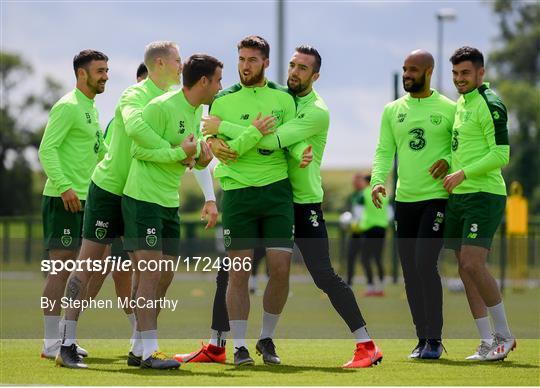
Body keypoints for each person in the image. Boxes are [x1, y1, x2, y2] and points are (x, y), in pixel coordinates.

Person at [181, 45, 383, 368]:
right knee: (230, 273)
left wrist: (222, 129)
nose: (295, 72)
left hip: (301, 203)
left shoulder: (314, 109)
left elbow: (271, 140)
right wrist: (213, 144)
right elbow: (235, 143)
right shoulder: (284, 100)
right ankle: (222, 345)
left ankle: (366, 343)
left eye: (303, 69)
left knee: (322, 275)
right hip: (271, 199)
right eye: (293, 65)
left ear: (315, 76)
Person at [56, 41, 213, 369]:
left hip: (143, 195)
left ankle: (141, 347)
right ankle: (65, 341)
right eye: (177, 61)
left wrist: (197, 154)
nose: (182, 67)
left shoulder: (178, 103)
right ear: (160, 63)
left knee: (153, 272)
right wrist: (180, 153)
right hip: (111, 189)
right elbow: (137, 132)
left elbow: (190, 150)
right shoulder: (134, 96)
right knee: (89, 265)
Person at [121, 53, 221, 370]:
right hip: (143, 199)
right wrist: (183, 152)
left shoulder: (197, 111)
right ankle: (150, 350)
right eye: (218, 79)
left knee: (165, 276)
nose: (221, 85)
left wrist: (202, 158)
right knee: (150, 275)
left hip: (167, 202)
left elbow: (190, 160)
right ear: (203, 81)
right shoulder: (161, 106)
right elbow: (137, 149)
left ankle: (138, 346)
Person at [371, 49, 455, 359]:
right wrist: (377, 180)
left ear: (428, 72)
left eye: (413, 70)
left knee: (424, 263)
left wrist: (449, 160)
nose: (407, 74)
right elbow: (383, 151)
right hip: (403, 201)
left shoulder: (449, 109)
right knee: (409, 270)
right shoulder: (393, 110)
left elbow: (462, 148)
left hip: (436, 199)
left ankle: (435, 339)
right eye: (405, 69)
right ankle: (422, 339)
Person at [443, 46, 515, 361]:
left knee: (473, 263)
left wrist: (463, 172)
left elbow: (502, 154)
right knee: (463, 267)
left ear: (480, 73)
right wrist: (447, 164)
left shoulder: (491, 104)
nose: (460, 79)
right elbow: (462, 148)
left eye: (466, 73)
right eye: (456, 74)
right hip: (460, 196)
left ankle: (505, 336)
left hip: (484, 194)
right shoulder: (461, 103)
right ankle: (487, 341)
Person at [38, 49, 109, 361]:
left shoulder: (91, 108)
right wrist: (65, 187)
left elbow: (102, 152)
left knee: (89, 267)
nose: (106, 75)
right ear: (82, 73)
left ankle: (66, 337)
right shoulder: (67, 106)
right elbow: (47, 150)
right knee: (62, 269)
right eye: (100, 71)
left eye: (106, 70)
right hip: (63, 199)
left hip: (87, 200)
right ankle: (50, 342)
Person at [357, 174, 390, 296]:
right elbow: (390, 213)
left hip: (368, 229)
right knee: (378, 258)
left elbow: (358, 212)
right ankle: (380, 288)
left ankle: (370, 287)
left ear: (367, 182)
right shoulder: (384, 194)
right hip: (381, 229)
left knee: (365, 258)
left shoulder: (364, 193)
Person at [346, 172, 368, 287]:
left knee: (366, 259)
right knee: (350, 256)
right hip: (355, 231)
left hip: (366, 231)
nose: (355, 183)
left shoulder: (367, 195)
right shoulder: (353, 196)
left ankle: (372, 284)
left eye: (358, 180)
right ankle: (349, 283)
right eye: (354, 181)